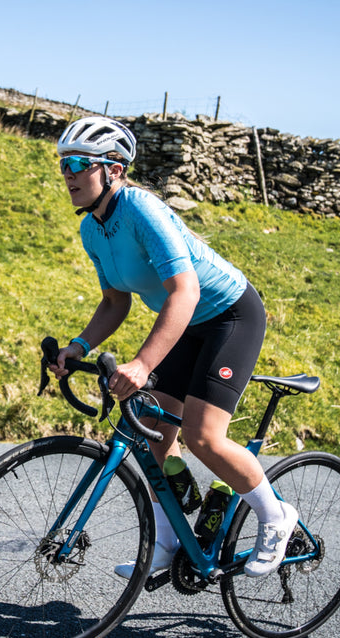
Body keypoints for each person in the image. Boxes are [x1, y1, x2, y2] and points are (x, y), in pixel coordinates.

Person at [49, 116, 298, 579]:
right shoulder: (92, 229)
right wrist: (78, 345)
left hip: (229, 316)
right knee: (150, 427)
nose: (69, 173)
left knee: (204, 437)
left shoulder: (143, 210)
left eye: (80, 163)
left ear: (115, 170)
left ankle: (276, 517)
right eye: (64, 164)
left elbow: (185, 292)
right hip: (187, 323)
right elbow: (113, 300)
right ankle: (167, 542)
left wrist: (143, 364)